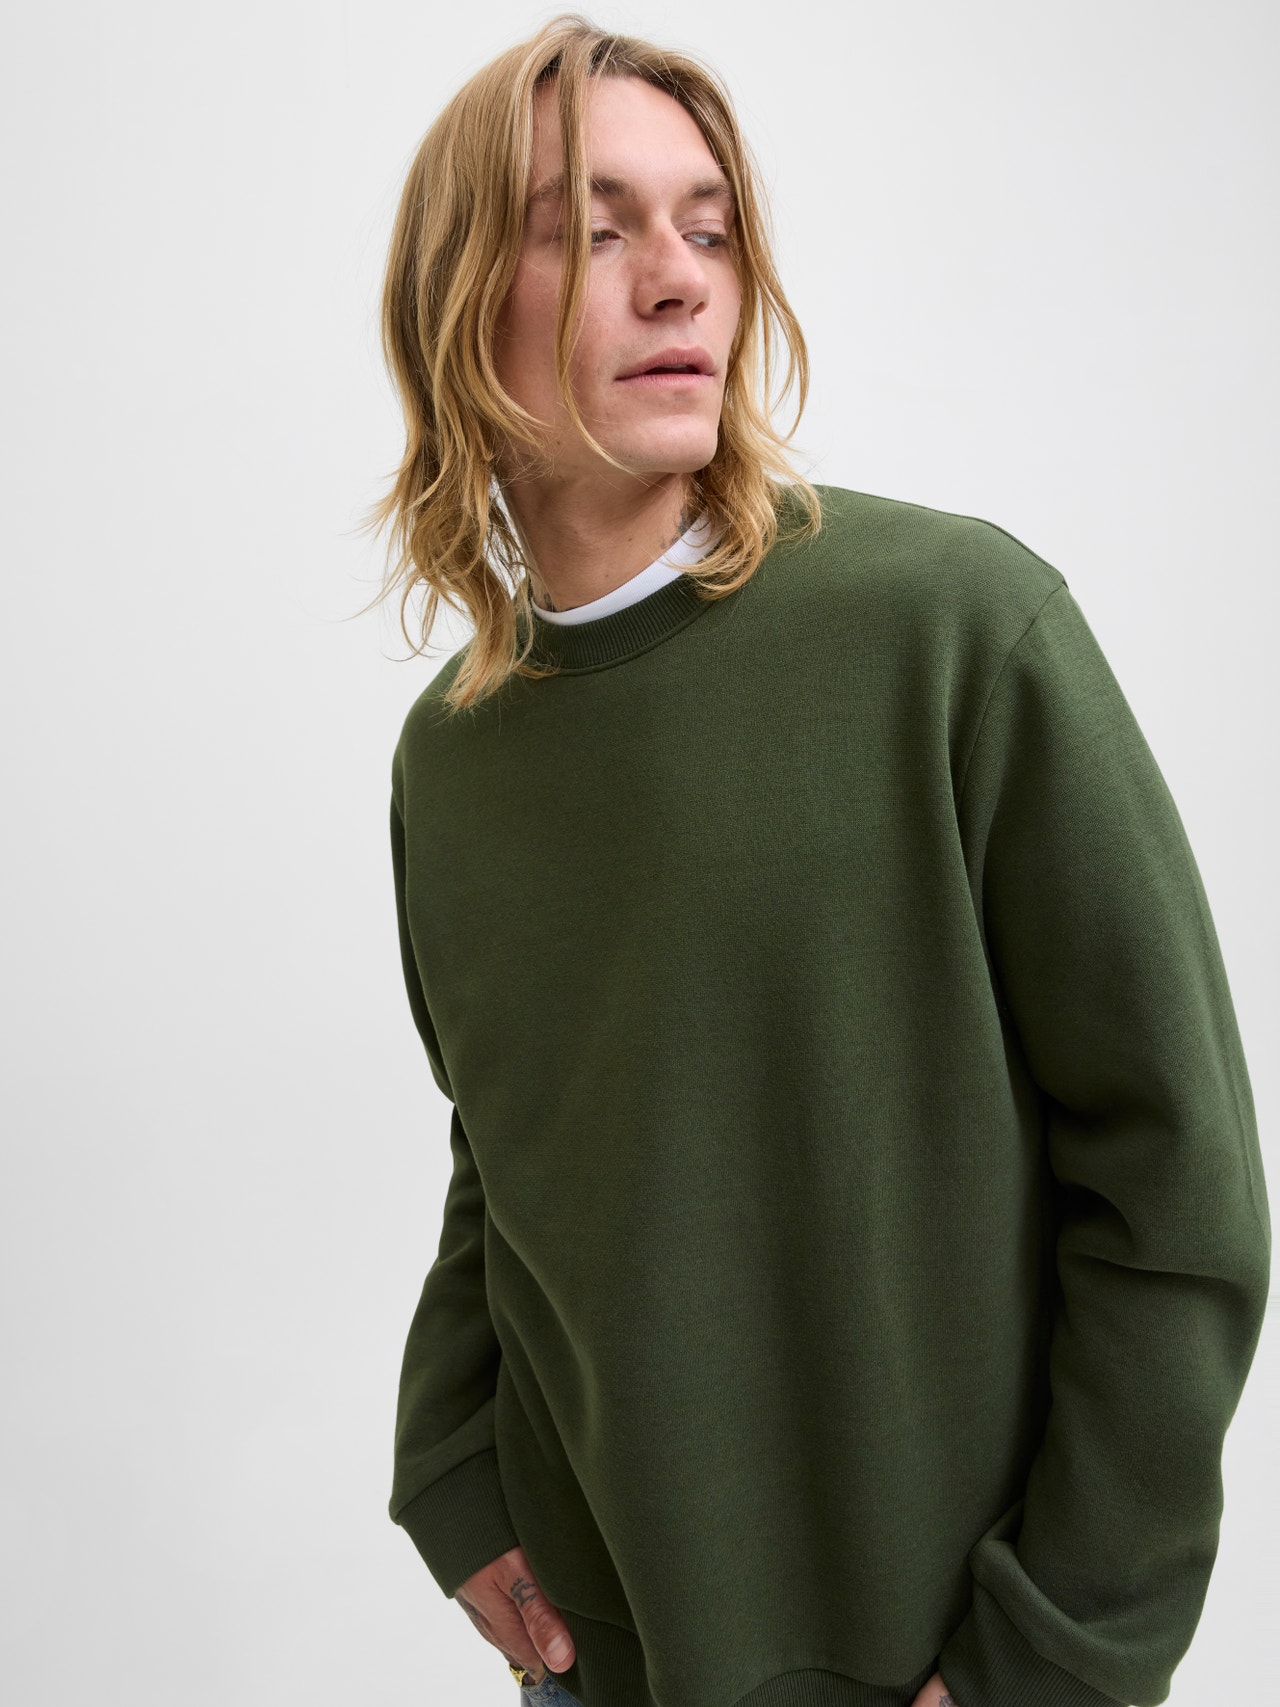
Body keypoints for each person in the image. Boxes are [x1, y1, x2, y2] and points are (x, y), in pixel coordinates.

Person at [362, 15, 1272, 1707]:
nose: (678, 280)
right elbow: (513, 1146)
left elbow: (1179, 1186)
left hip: (938, 1667)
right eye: (594, 231)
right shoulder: (456, 755)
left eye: (708, 228)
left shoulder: (956, 630)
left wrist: (1055, 1655)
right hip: (603, 1664)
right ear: (459, 303)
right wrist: (452, 1465)